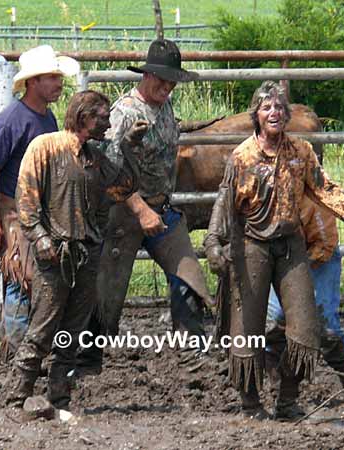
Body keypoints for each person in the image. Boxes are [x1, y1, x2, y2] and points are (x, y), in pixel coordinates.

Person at [204, 81, 344, 420]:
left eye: (280, 108)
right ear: (255, 115)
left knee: (305, 328)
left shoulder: (301, 152)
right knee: (247, 331)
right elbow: (225, 203)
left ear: (288, 115)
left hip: (290, 246)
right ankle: (251, 403)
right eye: (267, 108)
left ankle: (287, 400)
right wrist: (213, 243)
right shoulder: (242, 156)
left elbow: (323, 188)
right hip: (251, 246)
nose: (275, 113)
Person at [4, 90, 147, 412]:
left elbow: (123, 187)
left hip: (85, 253)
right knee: (43, 328)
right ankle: (17, 397)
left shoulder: (94, 156)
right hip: (55, 254)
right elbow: (26, 200)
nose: (109, 122)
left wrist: (129, 146)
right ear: (84, 117)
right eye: (103, 116)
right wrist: (41, 239)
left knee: (72, 333)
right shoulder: (46, 147)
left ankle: (59, 397)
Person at [79, 39, 214, 374]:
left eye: (172, 82)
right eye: (162, 80)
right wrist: (140, 209)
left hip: (161, 208)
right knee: (106, 287)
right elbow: (107, 171)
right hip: (122, 212)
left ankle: (192, 351)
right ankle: (85, 358)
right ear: (147, 75)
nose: (167, 87)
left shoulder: (165, 110)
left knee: (188, 275)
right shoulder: (123, 113)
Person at [0, 45, 79, 361]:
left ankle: (29, 354)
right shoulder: (11, 120)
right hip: (15, 212)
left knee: (37, 282)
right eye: (51, 77)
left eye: (58, 77)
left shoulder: (46, 118)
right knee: (23, 280)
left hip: (37, 212)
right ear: (33, 82)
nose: (58, 83)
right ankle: (18, 355)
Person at [265, 195, 344, 401]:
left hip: (316, 256)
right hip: (280, 256)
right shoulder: (265, 190)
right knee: (275, 318)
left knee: (325, 324)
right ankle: (278, 384)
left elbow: (324, 243)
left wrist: (295, 274)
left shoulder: (313, 198)